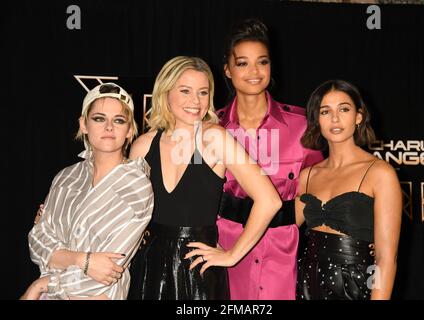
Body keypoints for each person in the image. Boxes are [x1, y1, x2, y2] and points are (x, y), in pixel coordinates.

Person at [127, 56, 282, 300]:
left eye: (203, 92)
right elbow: (125, 214)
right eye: (185, 91)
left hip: (198, 271)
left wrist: (232, 255)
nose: (195, 101)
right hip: (148, 266)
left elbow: (270, 200)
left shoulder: (214, 138)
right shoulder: (143, 147)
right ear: (165, 92)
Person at [215, 19, 323, 300]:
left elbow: (318, 185)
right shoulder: (212, 128)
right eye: (242, 63)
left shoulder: (301, 125)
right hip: (225, 251)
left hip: (284, 256)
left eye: (262, 62)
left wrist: (285, 226)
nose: (254, 71)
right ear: (227, 69)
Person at [21, 83, 154, 300]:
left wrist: (45, 284)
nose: (109, 127)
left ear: (130, 130)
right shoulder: (65, 177)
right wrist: (82, 260)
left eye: (119, 120)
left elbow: (107, 272)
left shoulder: (136, 185)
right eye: (99, 118)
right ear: (84, 124)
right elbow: (37, 242)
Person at [295, 79, 402, 300]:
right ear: (317, 119)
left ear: (359, 116)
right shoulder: (307, 175)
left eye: (344, 109)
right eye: (325, 111)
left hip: (356, 287)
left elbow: (384, 259)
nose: (335, 118)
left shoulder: (380, 173)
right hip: (307, 284)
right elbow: (279, 232)